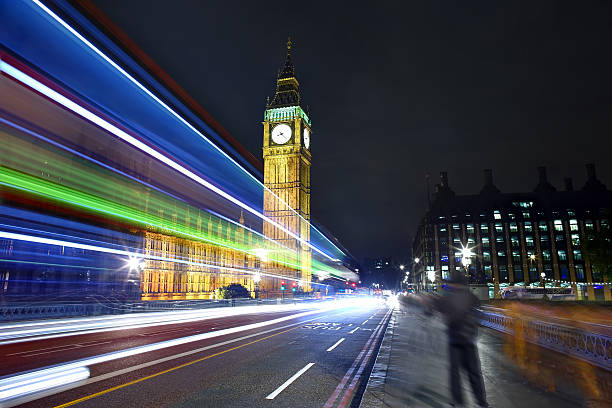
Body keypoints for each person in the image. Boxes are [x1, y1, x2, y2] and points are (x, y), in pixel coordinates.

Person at [435, 272, 488, 407]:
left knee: (455, 373)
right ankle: (481, 402)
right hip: (469, 340)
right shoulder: (471, 297)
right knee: (474, 373)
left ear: (454, 283)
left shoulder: (448, 298)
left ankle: (458, 402)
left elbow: (438, 309)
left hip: (454, 340)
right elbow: (480, 315)